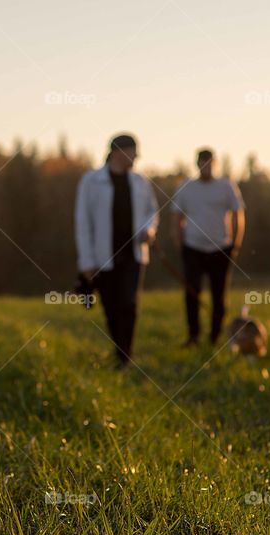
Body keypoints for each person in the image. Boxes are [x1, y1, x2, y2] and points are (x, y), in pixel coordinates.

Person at [74, 133, 159, 368]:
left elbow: (152, 213)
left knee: (130, 303)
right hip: (104, 255)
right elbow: (83, 222)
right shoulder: (91, 182)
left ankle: (125, 356)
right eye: (132, 153)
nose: (135, 158)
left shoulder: (141, 182)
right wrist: (87, 262)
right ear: (118, 152)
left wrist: (149, 230)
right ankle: (119, 349)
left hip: (134, 253)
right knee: (111, 307)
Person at [170, 148, 245, 347]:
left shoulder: (226, 186)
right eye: (202, 163)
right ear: (197, 165)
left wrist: (235, 244)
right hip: (193, 248)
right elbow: (177, 217)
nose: (206, 167)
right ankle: (193, 335)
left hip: (221, 248)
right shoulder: (186, 187)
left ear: (215, 164)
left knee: (219, 295)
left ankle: (215, 335)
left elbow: (239, 215)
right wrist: (180, 244)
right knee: (192, 293)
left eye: (209, 163)